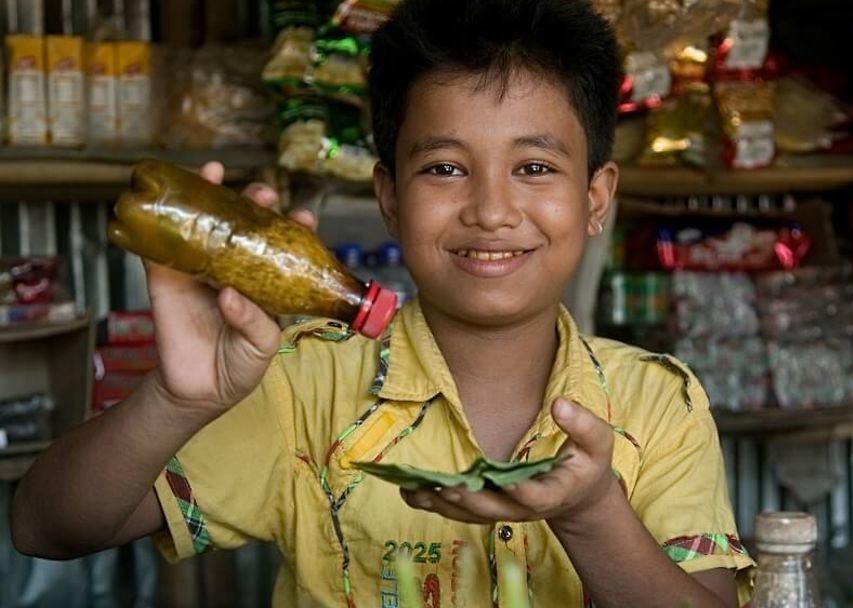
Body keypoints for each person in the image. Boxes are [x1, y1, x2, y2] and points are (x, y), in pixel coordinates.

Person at [12, 0, 753, 606]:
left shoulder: (657, 403)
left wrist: (593, 515)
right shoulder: (303, 385)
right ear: (389, 199)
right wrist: (177, 398)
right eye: (444, 167)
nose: (492, 210)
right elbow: (44, 527)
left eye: (533, 166)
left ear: (595, 198)